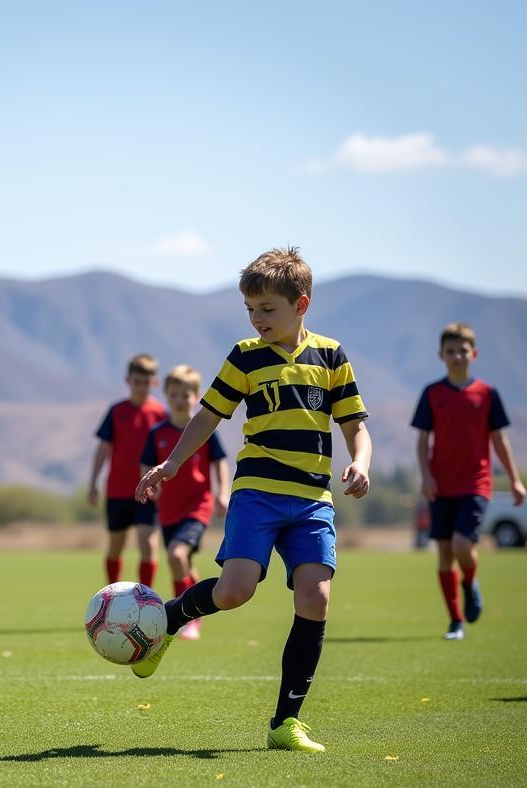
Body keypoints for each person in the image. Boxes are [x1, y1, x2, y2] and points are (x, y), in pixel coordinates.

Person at [133, 247, 372, 753]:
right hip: (258, 494)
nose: (257, 319)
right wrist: (172, 463)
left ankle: (286, 723)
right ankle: (172, 619)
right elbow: (207, 415)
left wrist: (361, 462)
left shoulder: (330, 356)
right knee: (235, 591)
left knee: (316, 597)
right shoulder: (244, 355)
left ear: (300, 304)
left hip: (311, 500)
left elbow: (356, 426)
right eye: (251, 310)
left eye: (267, 309)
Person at [410, 322, 526, 641]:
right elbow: (422, 441)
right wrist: (426, 477)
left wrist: (515, 480)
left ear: (473, 354)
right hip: (440, 486)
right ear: (441, 355)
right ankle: (455, 621)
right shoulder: (432, 394)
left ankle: (470, 581)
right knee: (445, 553)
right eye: (451, 351)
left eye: (462, 350)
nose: (457, 356)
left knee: (463, 545)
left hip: (476, 483)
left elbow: (499, 440)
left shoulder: (487, 394)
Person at [139, 365, 229, 640]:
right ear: (166, 396)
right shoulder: (157, 432)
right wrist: (149, 484)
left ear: (196, 396)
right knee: (185, 564)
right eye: (175, 395)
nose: (180, 400)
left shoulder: (203, 430)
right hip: (169, 510)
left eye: (186, 394)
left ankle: (187, 618)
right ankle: (197, 606)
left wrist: (222, 492)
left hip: (196, 506)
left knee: (176, 555)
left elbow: (220, 462)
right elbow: (146, 463)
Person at [89, 354, 166, 588]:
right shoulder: (116, 411)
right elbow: (103, 448)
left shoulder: (161, 413)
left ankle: (146, 598)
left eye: (147, 382)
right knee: (115, 545)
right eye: (137, 381)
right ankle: (112, 596)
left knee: (148, 544)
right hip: (118, 490)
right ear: (128, 381)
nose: (142, 387)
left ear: (154, 383)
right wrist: (93, 482)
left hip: (149, 490)